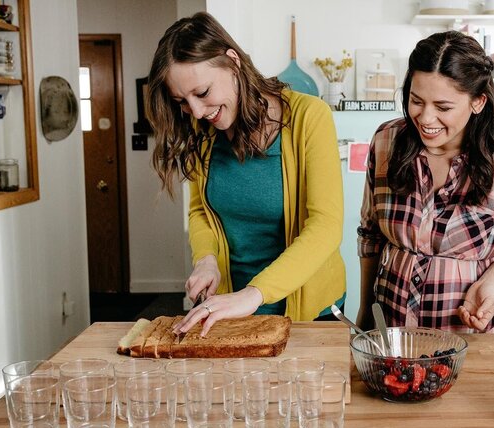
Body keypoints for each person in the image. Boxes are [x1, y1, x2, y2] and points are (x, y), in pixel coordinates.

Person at [145, 12, 346, 336]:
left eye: (203, 92)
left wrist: (254, 294)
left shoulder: (311, 117)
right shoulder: (204, 133)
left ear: (233, 62)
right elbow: (200, 211)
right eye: (182, 101)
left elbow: (325, 227)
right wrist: (206, 260)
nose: (196, 112)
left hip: (307, 311)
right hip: (228, 310)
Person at [356, 31, 494, 333]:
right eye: (416, 101)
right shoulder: (386, 141)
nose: (426, 118)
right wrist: (365, 311)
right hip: (390, 332)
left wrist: (491, 282)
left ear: (477, 102)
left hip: (469, 336)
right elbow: (371, 234)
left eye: (443, 107)